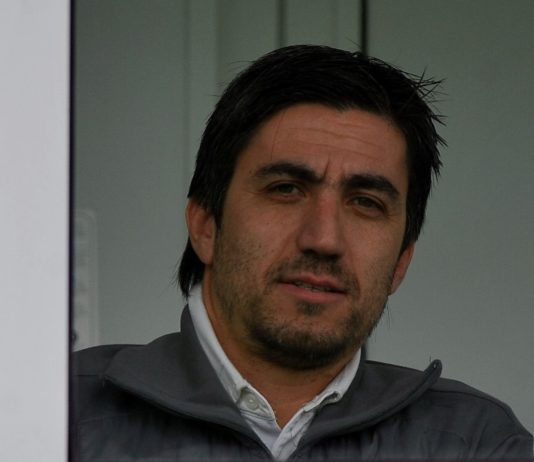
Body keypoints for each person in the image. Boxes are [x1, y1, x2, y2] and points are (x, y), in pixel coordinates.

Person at [72, 45, 533, 461]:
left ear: (401, 262)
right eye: (286, 189)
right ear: (206, 225)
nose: (324, 239)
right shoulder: (59, 411)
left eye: (366, 202)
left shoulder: (477, 443)